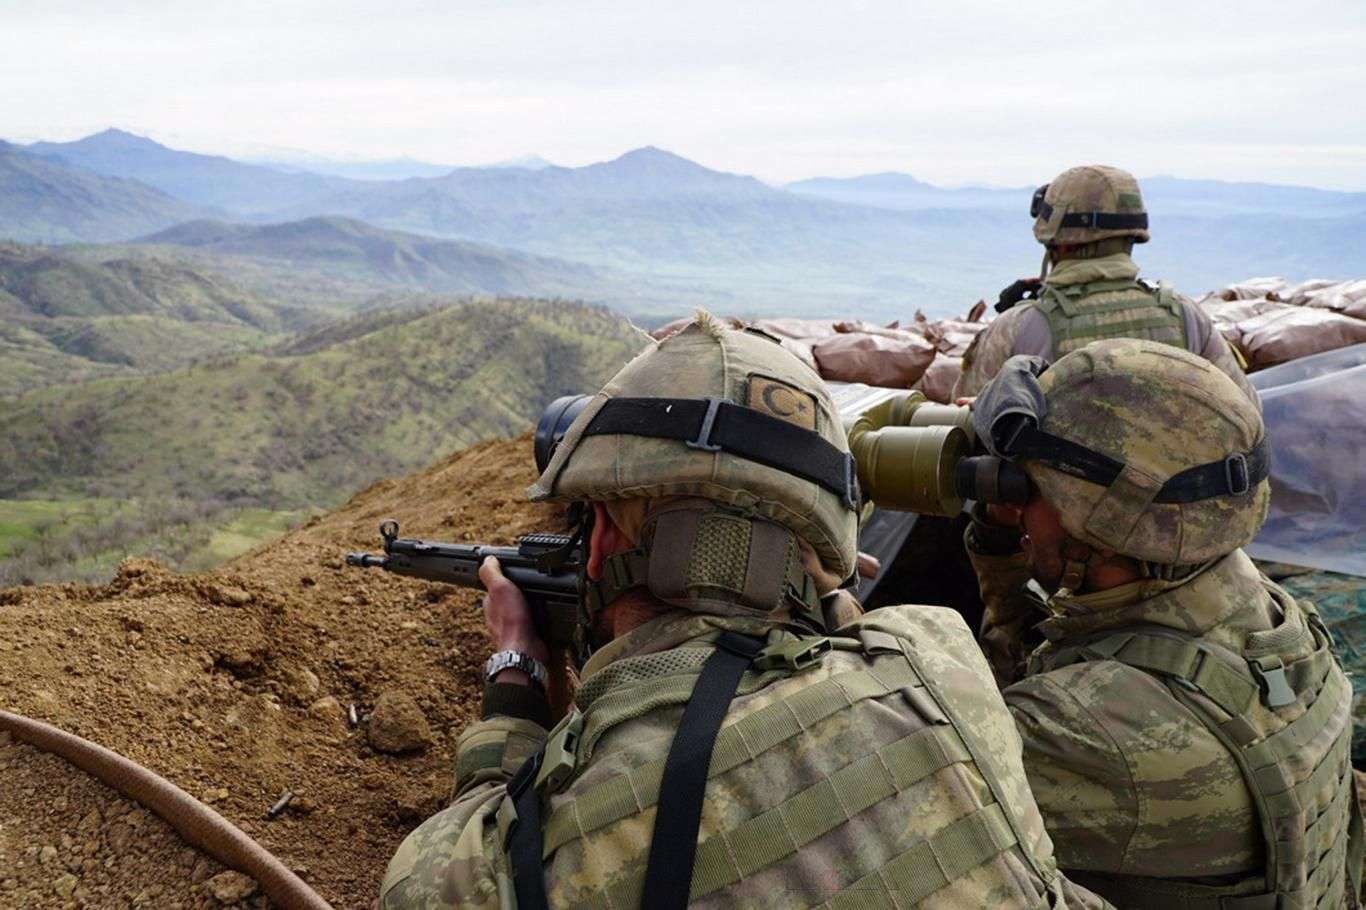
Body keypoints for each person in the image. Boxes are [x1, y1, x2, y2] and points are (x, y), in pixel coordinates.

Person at [378, 315, 1109, 908]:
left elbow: (427, 880)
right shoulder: (938, 655)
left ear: (599, 538)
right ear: (821, 543)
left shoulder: (559, 848)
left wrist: (516, 679)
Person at [962, 338, 1361, 907]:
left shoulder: (1093, 728)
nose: (1015, 502)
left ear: (1102, 523)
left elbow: (895, 801)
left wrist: (831, 594)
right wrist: (1006, 542)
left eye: (1029, 488)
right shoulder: (1268, 609)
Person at [952, 165, 1258, 405]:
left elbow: (963, 428)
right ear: (1133, 235)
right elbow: (1246, 412)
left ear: (1056, 241)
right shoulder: (1187, 317)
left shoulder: (1017, 328)